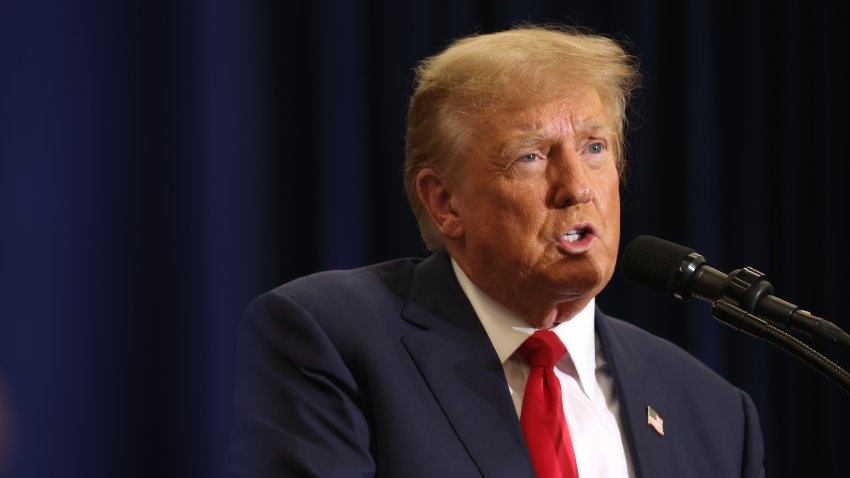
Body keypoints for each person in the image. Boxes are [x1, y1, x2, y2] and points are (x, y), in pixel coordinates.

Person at [226, 25, 764, 477]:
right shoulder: (331, 340)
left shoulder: (713, 413)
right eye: (530, 157)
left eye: (594, 148)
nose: (577, 187)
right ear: (445, 204)